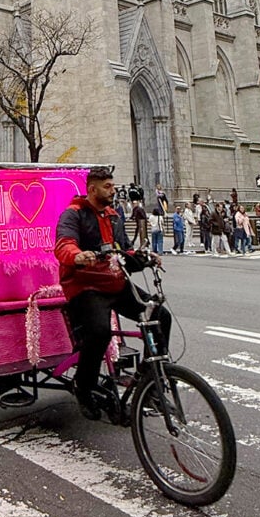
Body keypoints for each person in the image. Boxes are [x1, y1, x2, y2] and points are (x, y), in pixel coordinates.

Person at [55, 165, 171, 421]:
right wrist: (78, 256)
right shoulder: (73, 214)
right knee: (99, 332)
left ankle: (152, 380)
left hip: (116, 283)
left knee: (160, 315)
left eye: (113, 184)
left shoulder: (114, 216)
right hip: (86, 287)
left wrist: (145, 257)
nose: (113, 189)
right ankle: (83, 387)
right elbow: (64, 245)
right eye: (107, 186)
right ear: (92, 189)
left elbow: (124, 253)